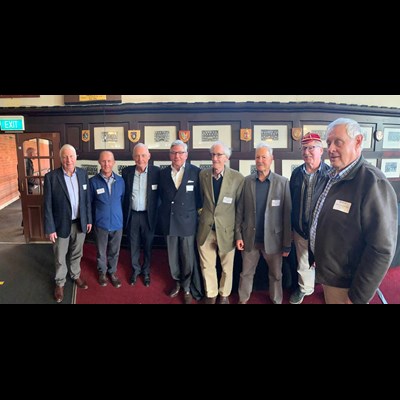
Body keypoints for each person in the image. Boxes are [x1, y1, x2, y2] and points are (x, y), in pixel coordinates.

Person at [309, 118, 398, 304]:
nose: (331, 149)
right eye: (328, 143)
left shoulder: (373, 183)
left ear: (358, 141)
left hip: (347, 284)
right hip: (329, 274)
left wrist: (357, 297)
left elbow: (381, 250)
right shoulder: (330, 176)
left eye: (338, 142)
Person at [235, 143, 292, 304]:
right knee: (246, 274)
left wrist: (287, 244)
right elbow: (240, 211)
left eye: (264, 157)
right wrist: (238, 235)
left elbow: (287, 216)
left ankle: (276, 300)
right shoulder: (247, 181)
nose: (260, 160)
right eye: (257, 157)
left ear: (271, 159)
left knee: (276, 275)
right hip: (250, 238)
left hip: (274, 240)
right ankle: (243, 299)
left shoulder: (282, 182)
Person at [197, 141, 244, 304]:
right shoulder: (203, 175)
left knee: (227, 267)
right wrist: (202, 216)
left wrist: (238, 233)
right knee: (206, 265)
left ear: (226, 158)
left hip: (227, 231)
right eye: (212, 155)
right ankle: (211, 294)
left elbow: (240, 208)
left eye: (218, 155)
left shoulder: (237, 178)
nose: (215, 158)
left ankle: (224, 295)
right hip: (206, 229)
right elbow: (200, 200)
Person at [44, 144, 92, 303]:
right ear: (60, 159)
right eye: (65, 157)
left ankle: (75, 275)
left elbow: (87, 200)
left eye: (71, 156)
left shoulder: (83, 174)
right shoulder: (51, 177)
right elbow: (47, 205)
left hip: (80, 222)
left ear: (75, 157)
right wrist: (50, 228)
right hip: (60, 225)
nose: (68, 160)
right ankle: (60, 283)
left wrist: (88, 219)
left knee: (77, 253)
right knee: (60, 255)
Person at [159, 140, 203, 304]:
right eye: (173, 153)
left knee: (187, 256)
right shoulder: (163, 173)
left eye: (180, 152)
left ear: (186, 155)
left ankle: (187, 287)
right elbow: (161, 198)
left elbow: (200, 199)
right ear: (170, 155)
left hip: (187, 222)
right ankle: (177, 282)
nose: (177, 156)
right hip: (169, 221)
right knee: (172, 256)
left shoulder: (196, 172)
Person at [289, 133, 330, 304]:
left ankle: (329, 291)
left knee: (326, 262)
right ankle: (305, 288)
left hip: (322, 231)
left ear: (321, 150)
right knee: (303, 261)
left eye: (311, 148)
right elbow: (291, 201)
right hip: (300, 229)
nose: (307, 152)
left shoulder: (330, 174)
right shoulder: (296, 173)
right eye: (304, 148)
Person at [122, 143, 160, 287]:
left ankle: (146, 271)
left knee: (148, 245)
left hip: (148, 216)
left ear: (149, 156)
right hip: (132, 215)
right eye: (137, 156)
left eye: (143, 155)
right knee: (133, 244)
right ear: (133, 157)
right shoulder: (126, 172)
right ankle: (135, 270)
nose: (140, 159)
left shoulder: (157, 172)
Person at [89, 151, 125, 288]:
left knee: (114, 251)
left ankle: (112, 272)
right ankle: (102, 272)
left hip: (117, 223)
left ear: (114, 162)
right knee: (101, 251)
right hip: (101, 223)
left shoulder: (120, 181)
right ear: (99, 162)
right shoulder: (93, 182)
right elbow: (89, 203)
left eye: (109, 161)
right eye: (103, 161)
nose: (106, 164)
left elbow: (123, 200)